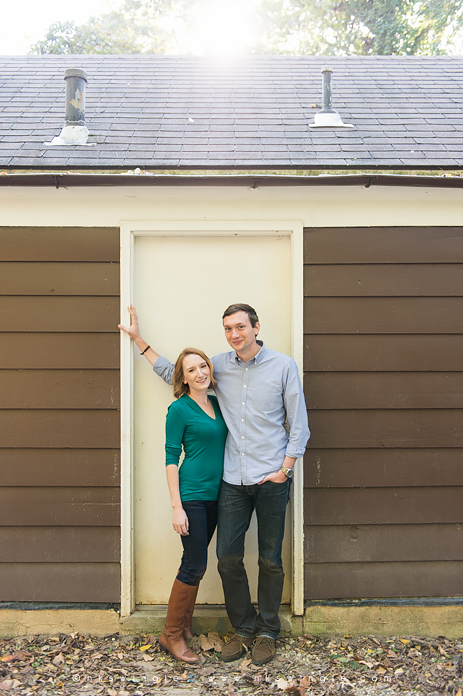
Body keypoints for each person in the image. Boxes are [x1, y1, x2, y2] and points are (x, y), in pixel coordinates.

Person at [119, 303, 310, 666]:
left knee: (270, 560)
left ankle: (267, 632)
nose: (234, 334)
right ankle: (243, 629)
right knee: (226, 558)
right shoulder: (218, 365)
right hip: (232, 483)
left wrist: (285, 470)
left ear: (256, 327)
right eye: (227, 328)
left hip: (271, 479)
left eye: (240, 327)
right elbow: (175, 373)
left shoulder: (282, 366)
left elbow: (298, 424)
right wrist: (140, 341)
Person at [152, 346, 227, 663]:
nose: (200, 373)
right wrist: (176, 507)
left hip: (217, 495)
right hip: (192, 494)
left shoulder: (216, 404)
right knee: (194, 564)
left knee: (194, 560)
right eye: (192, 370)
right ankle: (170, 635)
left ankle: (183, 625)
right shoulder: (179, 409)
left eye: (203, 366)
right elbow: (171, 458)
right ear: (183, 378)